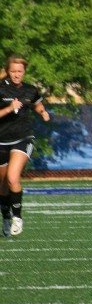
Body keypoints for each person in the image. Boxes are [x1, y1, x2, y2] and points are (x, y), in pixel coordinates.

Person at [0, 55, 51, 237]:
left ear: (24, 72)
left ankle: (17, 218)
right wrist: (8, 108)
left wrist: (43, 113)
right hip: (1, 142)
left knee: (13, 178)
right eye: (13, 71)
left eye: (19, 71)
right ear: (7, 72)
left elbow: (37, 104)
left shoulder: (30, 90)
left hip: (23, 138)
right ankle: (5, 215)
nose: (16, 75)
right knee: (3, 185)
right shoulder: (1, 89)